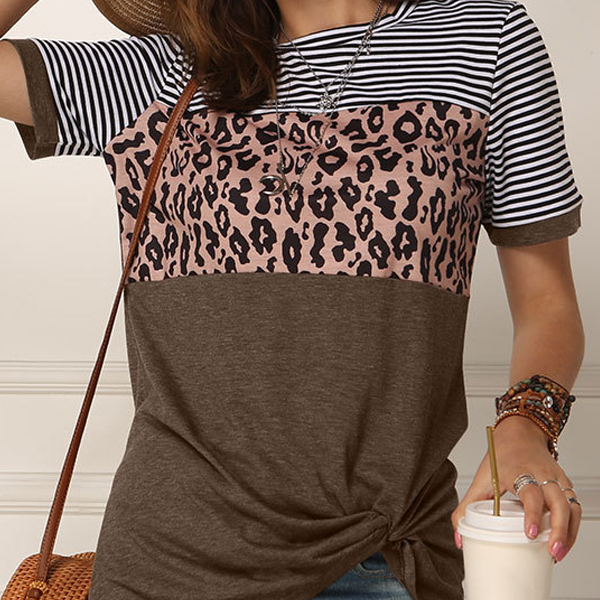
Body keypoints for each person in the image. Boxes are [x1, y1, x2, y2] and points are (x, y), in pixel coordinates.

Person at [0, 0, 585, 598]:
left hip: (386, 557)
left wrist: (526, 423)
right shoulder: (160, 70)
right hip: (172, 565)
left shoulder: (488, 43)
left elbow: (547, 305)